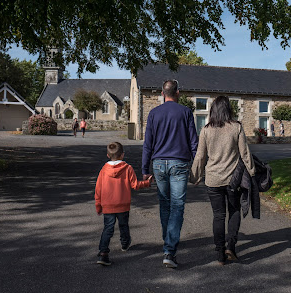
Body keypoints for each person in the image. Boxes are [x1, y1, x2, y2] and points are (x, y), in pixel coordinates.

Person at [191, 96, 255, 265]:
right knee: (234, 211)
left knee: (218, 215)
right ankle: (231, 247)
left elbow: (200, 156)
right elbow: (245, 153)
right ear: (228, 109)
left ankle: (220, 253)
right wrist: (252, 171)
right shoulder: (237, 127)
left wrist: (195, 176)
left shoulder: (206, 130)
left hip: (213, 180)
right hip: (233, 180)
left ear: (213, 110)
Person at [142, 80, 198, 268]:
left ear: (162, 93)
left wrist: (144, 169)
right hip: (179, 163)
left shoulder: (154, 113)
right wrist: (198, 167)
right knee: (177, 206)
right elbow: (193, 142)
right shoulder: (185, 112)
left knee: (165, 204)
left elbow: (148, 143)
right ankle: (169, 249)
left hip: (158, 164)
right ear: (178, 93)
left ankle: (168, 241)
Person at [95, 142, 151, 266]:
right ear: (122, 155)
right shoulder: (127, 168)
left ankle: (103, 253)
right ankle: (125, 244)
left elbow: (98, 189)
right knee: (123, 225)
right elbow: (135, 185)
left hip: (108, 205)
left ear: (108, 155)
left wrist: (98, 205)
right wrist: (146, 183)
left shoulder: (104, 170)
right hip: (123, 204)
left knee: (108, 229)